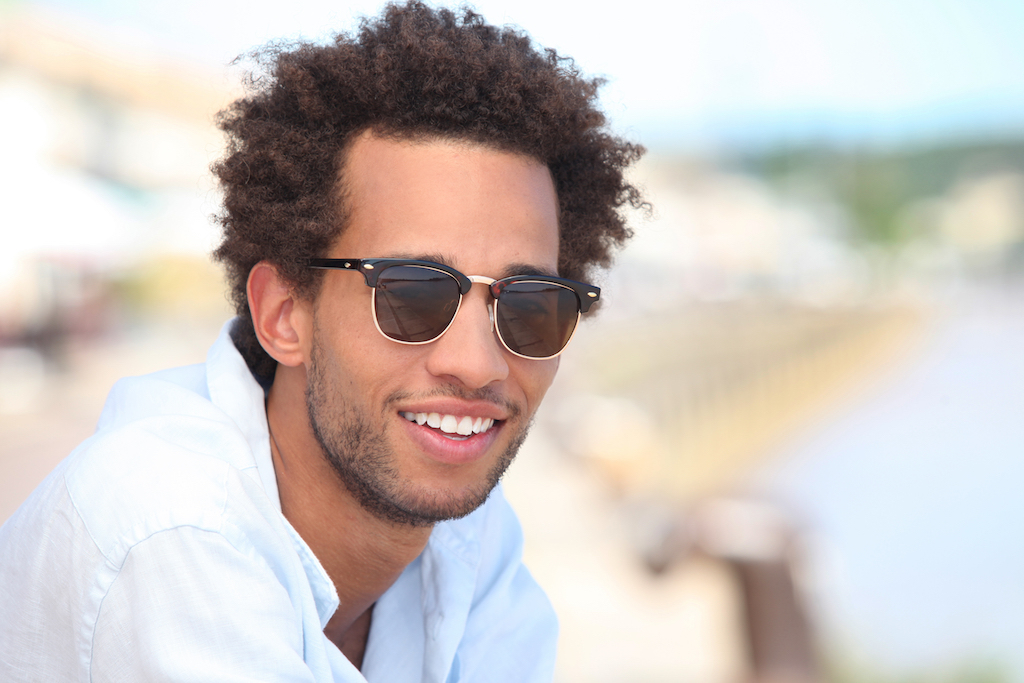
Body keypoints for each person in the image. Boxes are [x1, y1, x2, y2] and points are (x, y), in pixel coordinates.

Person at [0, 2, 644, 681]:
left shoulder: (471, 539)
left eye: (530, 306)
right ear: (284, 313)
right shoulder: (166, 524)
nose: (476, 363)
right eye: (412, 293)